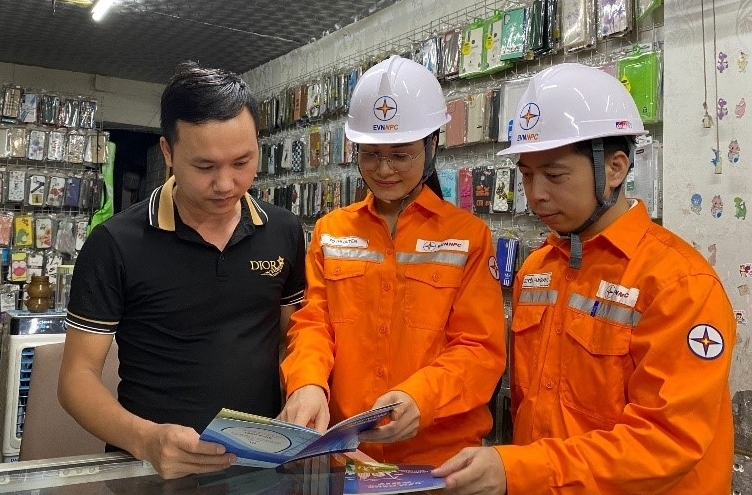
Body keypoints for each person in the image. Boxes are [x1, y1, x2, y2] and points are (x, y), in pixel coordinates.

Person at [433, 63, 735, 494]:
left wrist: (523, 470)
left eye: (554, 175)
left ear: (615, 168)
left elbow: (666, 441)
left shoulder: (678, 284)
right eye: (526, 174)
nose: (536, 194)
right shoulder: (536, 271)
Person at [58, 61, 306, 480]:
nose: (225, 184)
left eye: (242, 162)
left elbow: (293, 339)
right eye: (205, 167)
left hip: (259, 469)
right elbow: (75, 379)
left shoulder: (283, 231)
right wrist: (145, 439)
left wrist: (305, 391)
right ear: (168, 152)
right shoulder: (116, 243)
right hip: (152, 471)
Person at [278, 55, 506, 466]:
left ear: (432, 146)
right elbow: (313, 324)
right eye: (370, 154)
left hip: (438, 462)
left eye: (401, 156)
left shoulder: (468, 237)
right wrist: (306, 382)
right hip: (346, 454)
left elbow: (479, 349)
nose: (384, 170)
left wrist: (422, 397)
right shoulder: (331, 231)